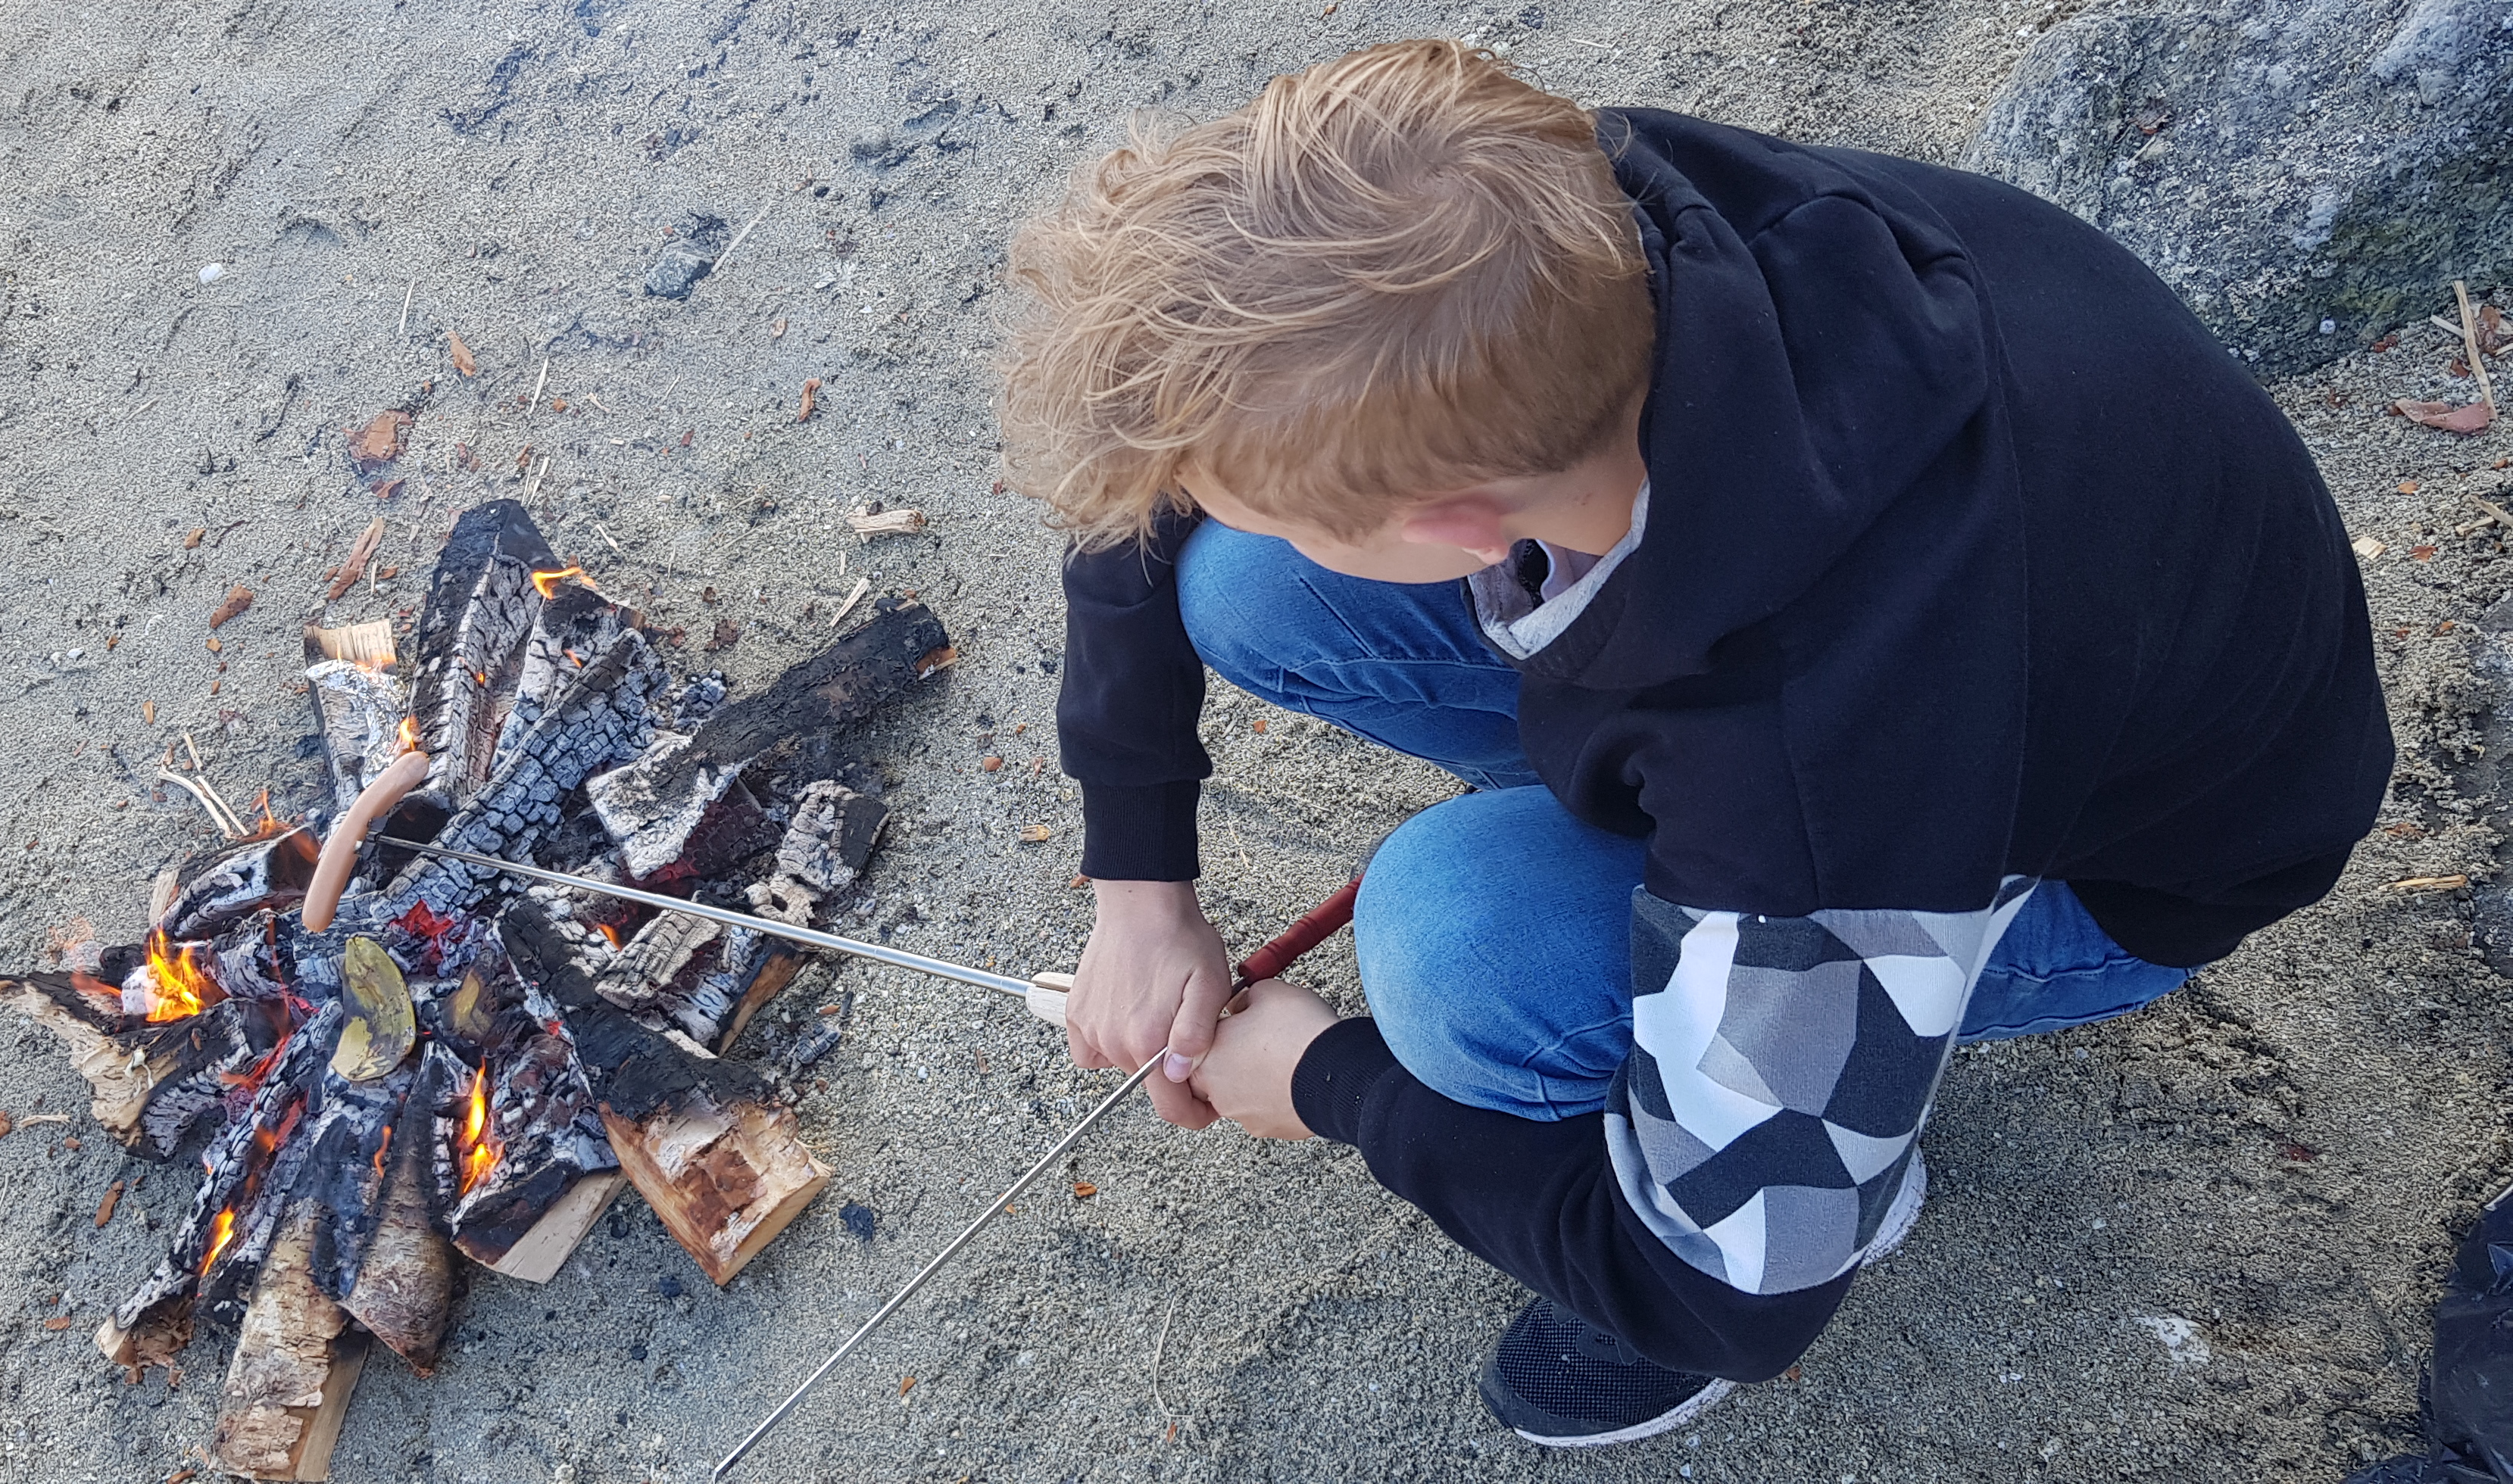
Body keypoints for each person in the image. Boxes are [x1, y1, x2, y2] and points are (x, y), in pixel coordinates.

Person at [1001, 38, 2390, 1448]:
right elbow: (1172, 465)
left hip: (2111, 864)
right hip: (2013, 634)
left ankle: (1815, 1124)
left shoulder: (1819, 782)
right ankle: (1691, 945)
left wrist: (1324, 1082)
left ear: (1462, 527)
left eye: (1287, 495)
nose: (1232, 501)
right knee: (1244, 578)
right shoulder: (1590, 211)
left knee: (1460, 940)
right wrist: (1139, 879)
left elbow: (1729, 1294)